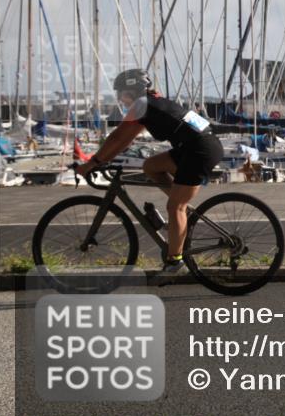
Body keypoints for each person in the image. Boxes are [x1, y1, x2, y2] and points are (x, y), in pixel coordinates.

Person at [75, 69, 224, 279]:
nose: (120, 99)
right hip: (195, 145)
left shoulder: (142, 105)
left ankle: (174, 261)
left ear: (133, 92)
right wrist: (103, 158)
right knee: (151, 166)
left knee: (175, 206)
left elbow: (118, 138)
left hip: (200, 150)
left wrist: (94, 162)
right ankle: (180, 212)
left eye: (122, 94)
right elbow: (125, 138)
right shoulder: (150, 103)